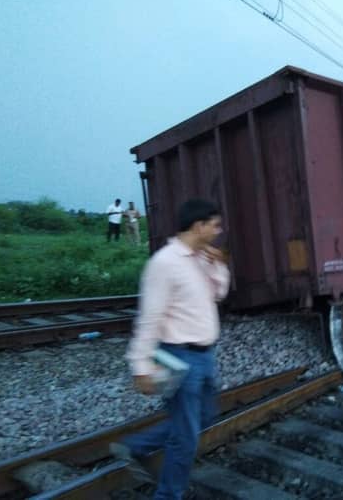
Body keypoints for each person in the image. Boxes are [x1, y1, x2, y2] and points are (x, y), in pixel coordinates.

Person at [111, 199, 229, 499]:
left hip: (205, 354)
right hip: (179, 356)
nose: (219, 231)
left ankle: (135, 446)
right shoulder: (164, 263)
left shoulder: (201, 258)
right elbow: (149, 317)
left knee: (205, 416)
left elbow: (219, 294)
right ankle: (167, 495)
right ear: (199, 226)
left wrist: (217, 264)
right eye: (215, 225)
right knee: (186, 438)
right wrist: (140, 366)